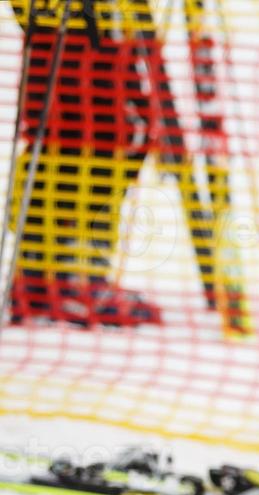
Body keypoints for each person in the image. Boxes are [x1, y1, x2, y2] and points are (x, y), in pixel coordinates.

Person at [6, 0, 164, 328]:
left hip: (95, 28)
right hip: (75, 26)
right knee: (87, 134)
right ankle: (65, 277)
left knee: (107, 132)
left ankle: (54, 275)